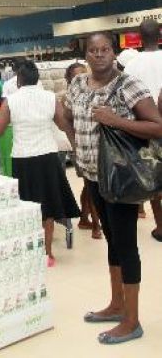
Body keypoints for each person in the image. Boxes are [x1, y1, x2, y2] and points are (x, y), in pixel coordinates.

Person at [63, 31, 162, 345]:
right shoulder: (78, 84)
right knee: (112, 242)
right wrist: (76, 144)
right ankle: (117, 304)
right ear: (86, 55)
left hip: (121, 179)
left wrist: (115, 120)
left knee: (126, 246)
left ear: (114, 52)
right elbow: (64, 114)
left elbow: (157, 126)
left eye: (105, 49)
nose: (99, 54)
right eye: (93, 50)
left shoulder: (128, 84)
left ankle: (132, 321)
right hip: (93, 177)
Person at [0, 61, 80, 267]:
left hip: (23, 159)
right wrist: (76, 145)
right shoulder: (50, 98)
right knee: (48, 206)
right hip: (48, 156)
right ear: (37, 79)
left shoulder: (11, 102)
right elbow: (63, 124)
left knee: (27, 205)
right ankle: (48, 253)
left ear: (18, 80)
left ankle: (31, 250)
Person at [124, 19, 162, 241]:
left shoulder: (132, 65)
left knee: (153, 176)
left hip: (146, 128)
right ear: (160, 35)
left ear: (138, 38)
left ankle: (160, 226)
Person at [64, 63, 102, 240]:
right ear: (69, 79)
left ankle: (84, 218)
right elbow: (66, 121)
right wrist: (75, 144)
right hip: (78, 147)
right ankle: (96, 224)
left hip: (94, 146)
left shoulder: (93, 92)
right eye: (76, 75)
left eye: (84, 73)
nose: (81, 78)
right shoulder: (68, 98)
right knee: (91, 184)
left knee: (90, 186)